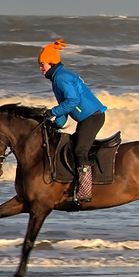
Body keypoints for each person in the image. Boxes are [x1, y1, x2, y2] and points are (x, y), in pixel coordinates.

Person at [38, 39, 106, 203]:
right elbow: (66, 106)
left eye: (42, 64)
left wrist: (51, 113)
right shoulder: (58, 77)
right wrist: (56, 126)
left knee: (80, 151)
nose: (40, 68)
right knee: (73, 147)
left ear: (52, 63)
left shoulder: (61, 78)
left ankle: (84, 192)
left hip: (92, 117)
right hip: (87, 117)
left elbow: (73, 101)